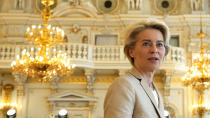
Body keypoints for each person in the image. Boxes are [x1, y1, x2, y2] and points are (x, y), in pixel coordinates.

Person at [104, 19, 170, 118]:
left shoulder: (155, 91)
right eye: (146, 44)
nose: (154, 50)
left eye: (159, 44)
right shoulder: (124, 85)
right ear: (131, 51)